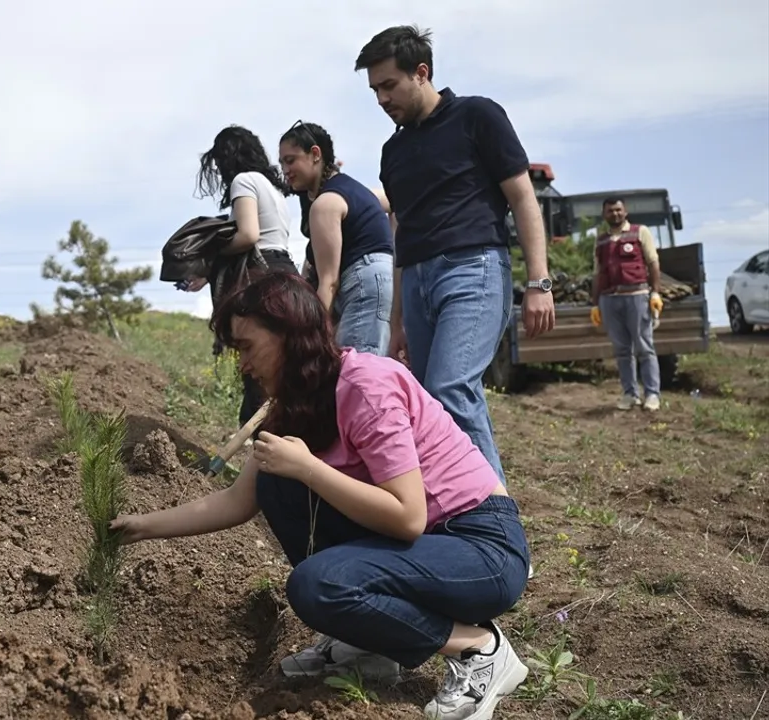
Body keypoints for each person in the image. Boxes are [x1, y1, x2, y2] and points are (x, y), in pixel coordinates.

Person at [110, 272, 531, 720]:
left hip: (481, 549)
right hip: (425, 548)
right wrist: (138, 527)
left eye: (247, 347)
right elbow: (236, 502)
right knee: (277, 479)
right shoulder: (291, 405)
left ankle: (479, 648)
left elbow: (408, 516)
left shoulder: (365, 387)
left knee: (318, 584)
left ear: (291, 337)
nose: (243, 364)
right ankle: (373, 647)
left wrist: (310, 469)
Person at [353, 25, 556, 487]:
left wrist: (539, 283)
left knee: (451, 388)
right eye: (374, 90)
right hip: (417, 281)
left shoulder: (477, 116)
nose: (382, 99)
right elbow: (401, 229)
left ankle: (498, 530)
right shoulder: (394, 150)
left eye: (389, 85)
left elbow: (524, 198)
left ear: (421, 73)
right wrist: (398, 320)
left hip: (473, 270)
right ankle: (454, 519)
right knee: (427, 403)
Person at [192, 125, 299, 426]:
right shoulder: (273, 189)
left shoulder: (243, 181)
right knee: (282, 369)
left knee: (258, 370)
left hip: (260, 279)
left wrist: (211, 254)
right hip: (286, 274)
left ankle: (263, 459)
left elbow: (249, 235)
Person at [278, 120, 395, 356]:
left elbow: (329, 282)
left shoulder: (326, 203)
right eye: (282, 163)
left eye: (290, 160)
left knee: (357, 374)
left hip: (362, 283)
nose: (285, 170)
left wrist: (314, 335)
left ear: (315, 154)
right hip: (381, 280)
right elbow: (395, 202)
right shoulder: (353, 189)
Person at [590, 197, 663, 411]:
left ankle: (652, 395)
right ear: (604, 215)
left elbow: (653, 262)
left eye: (618, 210)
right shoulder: (601, 241)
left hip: (637, 296)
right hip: (610, 300)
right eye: (610, 211)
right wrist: (595, 304)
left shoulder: (640, 232)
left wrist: (655, 293)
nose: (615, 214)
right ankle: (630, 394)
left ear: (625, 211)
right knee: (622, 350)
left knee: (644, 347)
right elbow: (597, 272)